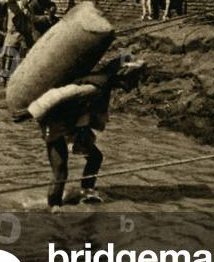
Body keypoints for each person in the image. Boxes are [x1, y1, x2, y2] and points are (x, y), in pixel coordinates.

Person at [28, 59, 145, 210]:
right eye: (133, 80)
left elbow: (84, 106)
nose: (135, 85)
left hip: (72, 123)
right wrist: (29, 112)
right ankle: (54, 208)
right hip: (54, 121)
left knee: (95, 158)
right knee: (60, 170)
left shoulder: (105, 81)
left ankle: (86, 192)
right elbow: (58, 96)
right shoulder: (96, 86)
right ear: (123, 76)